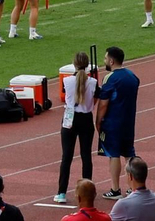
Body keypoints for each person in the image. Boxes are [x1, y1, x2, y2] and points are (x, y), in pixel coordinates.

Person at [94, 47, 140, 199]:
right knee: (129, 153)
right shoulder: (132, 76)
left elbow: (103, 103)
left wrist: (98, 121)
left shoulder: (110, 78)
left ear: (112, 61)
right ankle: (133, 187)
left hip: (113, 122)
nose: (105, 61)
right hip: (129, 121)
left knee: (113, 155)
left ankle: (115, 189)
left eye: (106, 58)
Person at [56, 50, 98, 202]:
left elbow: (64, 95)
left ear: (74, 64)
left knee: (66, 157)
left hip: (69, 118)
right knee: (86, 156)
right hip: (86, 118)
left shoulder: (66, 81)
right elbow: (96, 97)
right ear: (87, 65)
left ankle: (61, 193)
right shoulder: (93, 82)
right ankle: (87, 192)